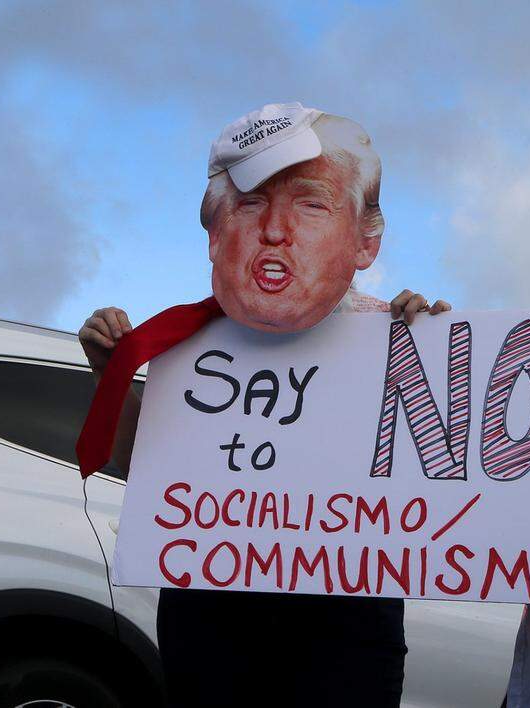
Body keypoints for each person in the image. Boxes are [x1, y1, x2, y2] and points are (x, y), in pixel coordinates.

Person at [79, 102, 451, 708]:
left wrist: (439, 358)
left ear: (366, 242)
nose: (275, 229)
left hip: (347, 624)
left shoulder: (396, 341)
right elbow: (133, 469)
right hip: (212, 617)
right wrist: (111, 376)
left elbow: (438, 483)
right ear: (215, 235)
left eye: (310, 203)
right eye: (250, 204)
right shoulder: (186, 349)